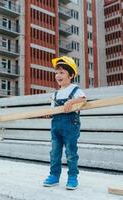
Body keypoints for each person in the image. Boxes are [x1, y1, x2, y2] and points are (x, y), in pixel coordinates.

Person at [43, 56, 86, 190]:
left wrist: (71, 102)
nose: (58, 75)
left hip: (70, 126)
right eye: (57, 72)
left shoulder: (75, 89)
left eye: (62, 72)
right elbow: (53, 110)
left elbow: (83, 100)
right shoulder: (55, 94)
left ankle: (72, 177)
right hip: (56, 126)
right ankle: (54, 176)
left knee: (71, 153)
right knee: (54, 152)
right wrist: (48, 113)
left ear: (71, 75)